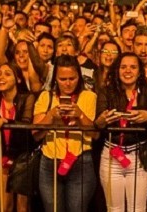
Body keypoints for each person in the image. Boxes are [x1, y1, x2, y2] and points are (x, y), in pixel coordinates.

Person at [93, 52, 147, 212]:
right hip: (111, 155)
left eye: (133, 67)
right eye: (123, 67)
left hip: (139, 157)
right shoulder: (106, 92)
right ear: (117, 70)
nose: (128, 71)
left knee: (137, 209)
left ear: (140, 71)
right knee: (114, 209)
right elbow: (98, 124)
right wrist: (103, 119)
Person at [33, 55, 98, 212]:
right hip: (50, 161)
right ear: (55, 78)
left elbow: (95, 135)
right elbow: (36, 134)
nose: (68, 83)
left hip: (80, 161)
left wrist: (80, 115)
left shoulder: (89, 96)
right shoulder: (46, 96)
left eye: (72, 78)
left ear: (79, 77)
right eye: (63, 79)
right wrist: (51, 115)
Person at [0, 63, 37, 212]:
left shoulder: (27, 97)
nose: (1, 77)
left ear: (18, 79)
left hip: (22, 159)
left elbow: (26, 123)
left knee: (22, 208)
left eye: (7, 74)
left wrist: (4, 120)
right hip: (1, 158)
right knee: (4, 207)